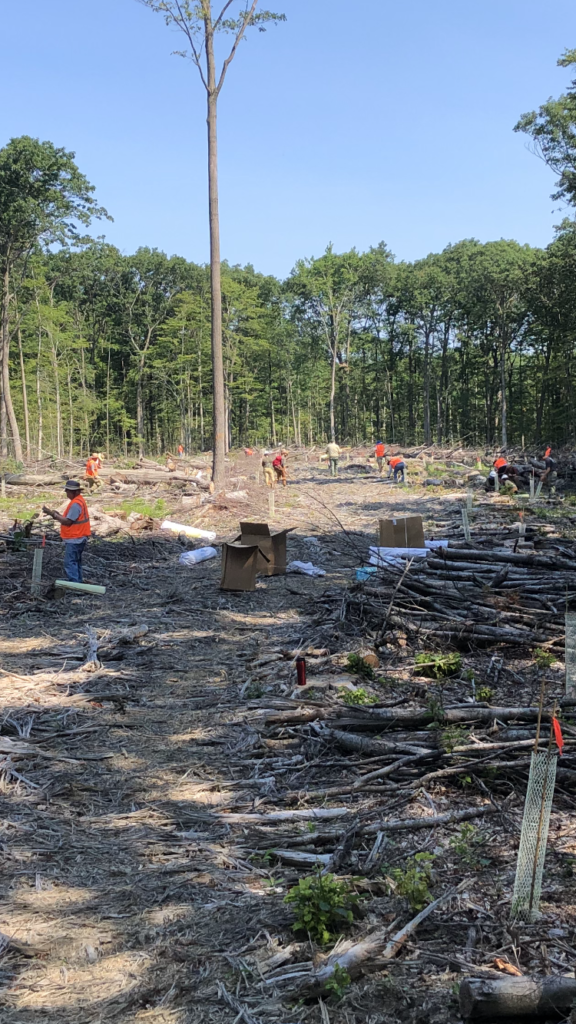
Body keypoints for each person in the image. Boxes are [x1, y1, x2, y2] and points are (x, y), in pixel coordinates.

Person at [42, 481, 91, 583]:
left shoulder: (75, 504)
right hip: (79, 537)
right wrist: (58, 515)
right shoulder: (79, 501)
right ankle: (79, 584)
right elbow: (70, 518)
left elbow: (68, 522)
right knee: (76, 562)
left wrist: (54, 515)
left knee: (70, 563)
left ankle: (74, 585)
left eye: (67, 491)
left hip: (75, 538)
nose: (66, 493)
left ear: (75, 492)